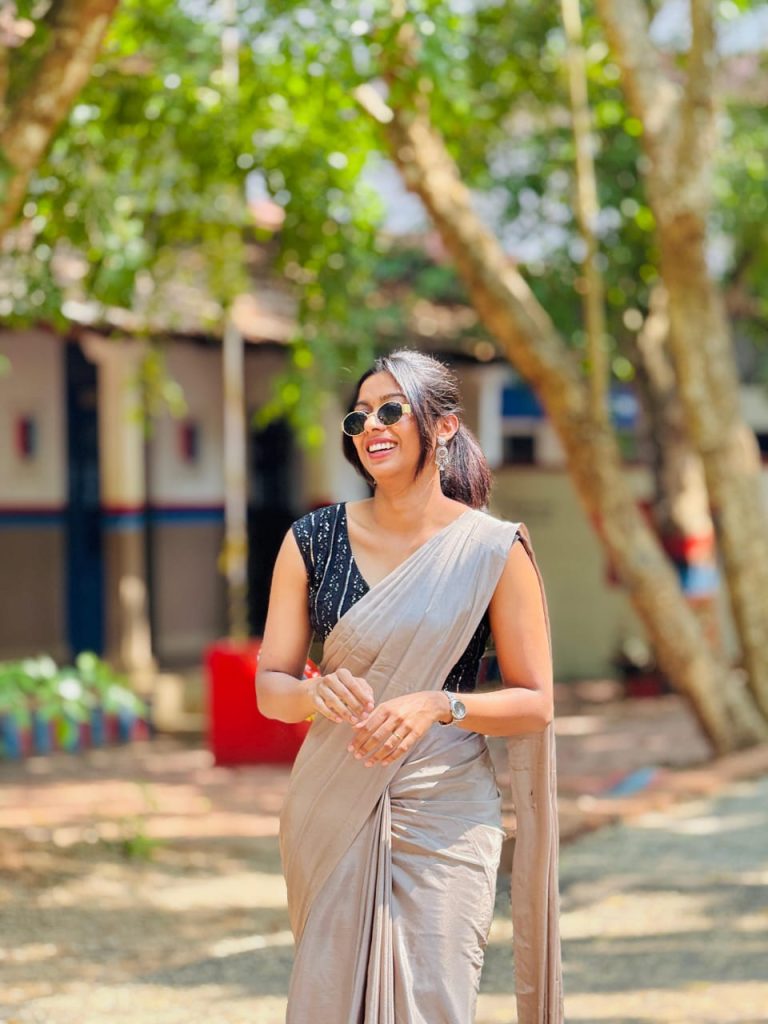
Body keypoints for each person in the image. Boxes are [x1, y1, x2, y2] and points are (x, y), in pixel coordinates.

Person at [256, 349, 563, 1024]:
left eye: (390, 410)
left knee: (434, 1001)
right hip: (333, 797)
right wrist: (312, 694)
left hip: (445, 808)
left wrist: (439, 704)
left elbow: (536, 703)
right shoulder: (312, 540)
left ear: (444, 426)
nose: (371, 426)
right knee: (330, 1003)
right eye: (359, 416)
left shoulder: (490, 549)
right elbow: (270, 686)